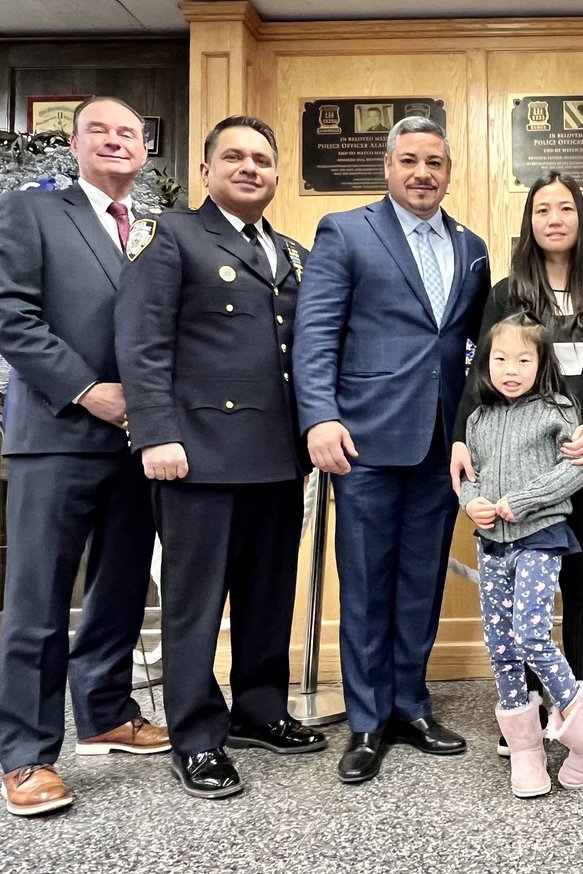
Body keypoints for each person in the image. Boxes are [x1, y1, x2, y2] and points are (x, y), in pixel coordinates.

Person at [115, 115, 326, 799]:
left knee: (268, 597)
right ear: (205, 170)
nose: (250, 168)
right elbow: (143, 339)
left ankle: (259, 710)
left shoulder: (291, 251)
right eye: (233, 156)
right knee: (195, 605)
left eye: (262, 159)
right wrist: (155, 433)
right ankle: (197, 736)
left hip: (275, 455)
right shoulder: (173, 236)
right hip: (196, 456)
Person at [294, 116, 490, 784]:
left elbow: (471, 349)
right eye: (409, 160)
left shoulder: (471, 246)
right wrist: (319, 416)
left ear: (448, 171)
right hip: (366, 441)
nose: (422, 173)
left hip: (441, 444)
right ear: (387, 165)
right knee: (368, 585)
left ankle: (411, 704)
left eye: (435, 162)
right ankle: (369, 720)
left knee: (420, 584)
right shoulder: (346, 231)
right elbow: (316, 334)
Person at [0, 96, 168, 817]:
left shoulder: (154, 231)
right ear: (73, 144)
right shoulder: (31, 213)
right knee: (38, 600)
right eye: (99, 130)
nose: (115, 141)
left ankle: (104, 714)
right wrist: (84, 389)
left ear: (144, 149)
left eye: (128, 132)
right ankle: (26, 755)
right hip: (57, 434)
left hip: (137, 443)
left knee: (120, 589)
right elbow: (11, 315)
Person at [450, 171, 583, 756]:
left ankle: (575, 708)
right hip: (512, 466)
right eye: (541, 210)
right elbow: (481, 369)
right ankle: (523, 712)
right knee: (510, 594)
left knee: (580, 582)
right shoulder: (506, 293)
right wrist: (460, 437)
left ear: (580, 218)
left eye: (565, 208)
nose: (554, 219)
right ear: (529, 223)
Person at [460, 313, 583, 797]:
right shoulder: (478, 419)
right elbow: (470, 476)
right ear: (486, 365)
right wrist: (473, 503)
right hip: (493, 545)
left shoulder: (558, 410)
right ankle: (527, 750)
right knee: (500, 644)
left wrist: (522, 502)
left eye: (524, 359)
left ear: (542, 362)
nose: (511, 369)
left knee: (531, 632)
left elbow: (574, 473)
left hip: (540, 538)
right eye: (501, 359)